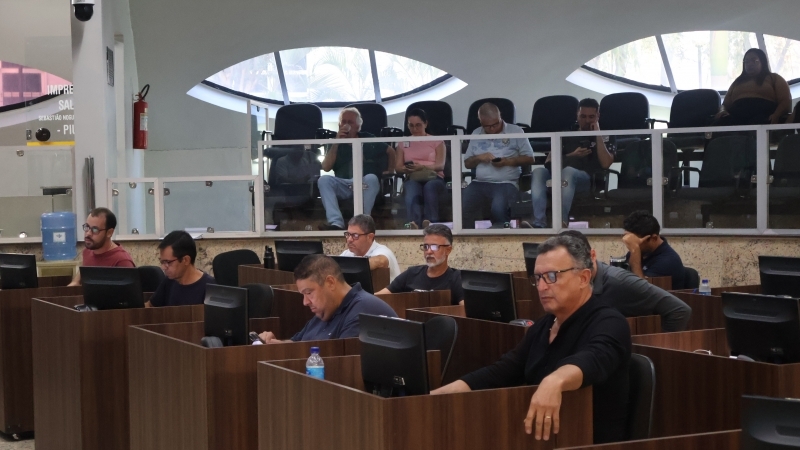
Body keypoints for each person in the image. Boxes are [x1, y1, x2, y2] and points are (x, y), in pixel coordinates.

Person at [431, 234, 631, 444]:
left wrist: (555, 381)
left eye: (552, 276)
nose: (542, 287)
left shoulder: (610, 322)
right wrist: (437, 395)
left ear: (583, 278)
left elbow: (592, 359)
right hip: (544, 438)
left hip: (587, 440)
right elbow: (503, 371)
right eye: (538, 278)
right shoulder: (545, 325)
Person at [561, 230, 691, 332]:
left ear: (592, 256)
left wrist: (659, 348)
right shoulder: (561, 283)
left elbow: (679, 310)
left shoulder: (619, 282)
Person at [257, 254, 397, 343]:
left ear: (330, 282)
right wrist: (274, 344)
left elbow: (339, 360)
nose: (305, 302)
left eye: (309, 293)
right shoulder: (326, 310)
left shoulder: (364, 311)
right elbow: (296, 343)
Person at [531, 98, 615, 228]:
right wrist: (572, 155)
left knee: (569, 171)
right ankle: (539, 223)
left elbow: (606, 164)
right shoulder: (566, 133)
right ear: (577, 114)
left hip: (588, 181)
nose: (587, 120)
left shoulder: (607, 135)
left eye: (591, 117)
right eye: (583, 116)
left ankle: (561, 222)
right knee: (538, 172)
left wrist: (597, 134)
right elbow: (548, 162)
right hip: (557, 178)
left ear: (598, 116)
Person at [318, 107, 396, 230]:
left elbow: (391, 151)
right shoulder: (334, 142)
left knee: (372, 178)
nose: (346, 125)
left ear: (358, 126)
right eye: (344, 122)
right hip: (344, 184)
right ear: (339, 125)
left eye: (350, 122)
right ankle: (336, 223)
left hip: (364, 183)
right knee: (324, 180)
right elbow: (326, 167)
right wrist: (336, 142)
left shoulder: (368, 138)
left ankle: (362, 222)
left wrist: (391, 170)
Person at [462, 102, 534, 228]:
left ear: (500, 116)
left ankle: (502, 233)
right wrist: (479, 158)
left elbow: (530, 158)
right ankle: (467, 236)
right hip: (479, 182)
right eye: (487, 126)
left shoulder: (515, 131)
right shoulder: (476, 133)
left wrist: (507, 162)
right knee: (462, 206)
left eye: (495, 124)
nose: (492, 129)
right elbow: (467, 163)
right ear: (480, 122)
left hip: (506, 183)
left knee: (498, 208)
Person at [376, 224, 463, 305]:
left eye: (434, 247)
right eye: (426, 247)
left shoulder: (456, 278)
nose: (429, 251)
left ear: (448, 250)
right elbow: (379, 297)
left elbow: (467, 310)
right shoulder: (411, 273)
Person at [395, 109, 447, 229]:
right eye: (411, 125)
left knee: (430, 187)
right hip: (413, 176)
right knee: (411, 188)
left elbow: (440, 165)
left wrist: (422, 167)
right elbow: (398, 168)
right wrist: (407, 169)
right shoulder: (403, 143)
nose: (414, 129)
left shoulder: (437, 141)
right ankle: (414, 223)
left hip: (434, 177)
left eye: (418, 125)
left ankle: (431, 222)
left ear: (425, 124)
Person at [714, 48, 792, 126]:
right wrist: (722, 111)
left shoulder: (774, 78)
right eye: (746, 61)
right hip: (736, 118)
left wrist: (776, 115)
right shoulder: (737, 82)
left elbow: (785, 101)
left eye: (754, 61)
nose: (750, 64)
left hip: (764, 117)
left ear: (762, 62)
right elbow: (724, 105)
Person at [68, 207, 135, 286]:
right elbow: (76, 282)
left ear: (109, 233)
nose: (88, 233)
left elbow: (130, 292)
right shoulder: (87, 252)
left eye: (95, 230)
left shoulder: (122, 261)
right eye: (87, 227)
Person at [147, 230, 215, 307]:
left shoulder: (210, 287)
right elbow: (150, 306)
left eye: (168, 262)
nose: (163, 267)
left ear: (186, 260)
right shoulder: (169, 281)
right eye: (162, 262)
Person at [622, 210, 686, 290]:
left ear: (653, 238)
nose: (630, 245)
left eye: (636, 242)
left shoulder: (668, 261)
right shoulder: (642, 251)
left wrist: (635, 250)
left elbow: (642, 291)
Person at [264, 147, 322, 225]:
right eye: (298, 149)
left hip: (303, 193)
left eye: (301, 150)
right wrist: (299, 180)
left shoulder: (304, 161)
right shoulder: (281, 161)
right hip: (285, 193)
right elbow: (282, 179)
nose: (300, 152)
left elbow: (307, 178)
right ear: (291, 150)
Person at [339, 214, 401, 281]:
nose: (349, 239)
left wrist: (349, 266)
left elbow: (382, 261)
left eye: (355, 235)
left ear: (370, 237)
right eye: (348, 234)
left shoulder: (382, 251)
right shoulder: (347, 253)